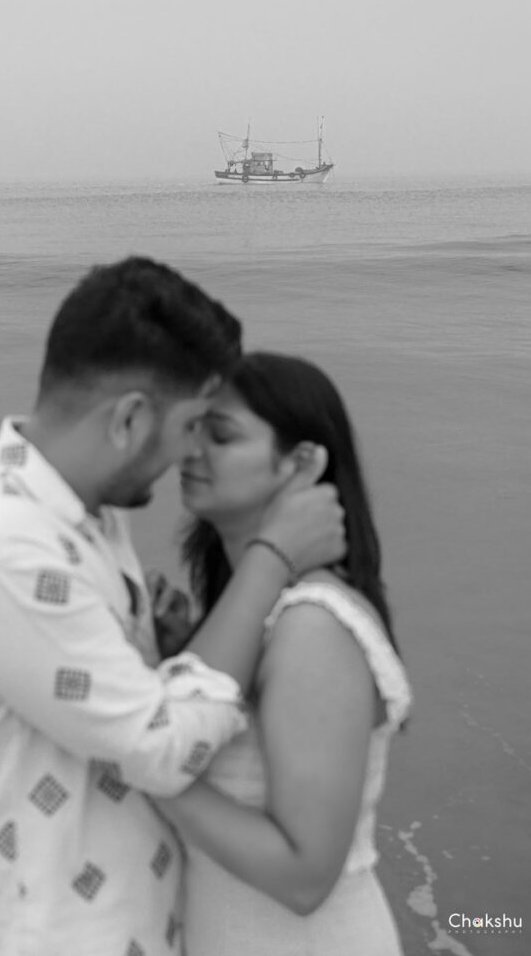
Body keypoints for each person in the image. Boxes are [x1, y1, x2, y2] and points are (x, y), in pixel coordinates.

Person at [0, 258, 345, 956]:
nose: (192, 451)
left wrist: (168, 654)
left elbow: (115, 705)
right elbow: (158, 749)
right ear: (130, 418)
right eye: (194, 423)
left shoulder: (82, 514)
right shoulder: (4, 545)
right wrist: (272, 558)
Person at [153, 351, 413, 956]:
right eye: (192, 429)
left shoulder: (313, 627)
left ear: (301, 463)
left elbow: (305, 876)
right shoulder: (254, 614)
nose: (189, 451)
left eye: (219, 436)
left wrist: (143, 762)